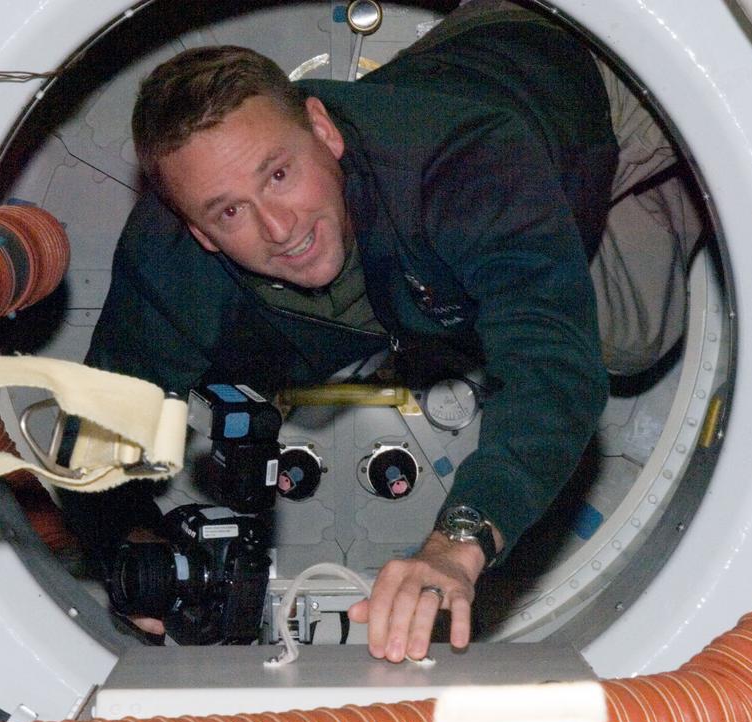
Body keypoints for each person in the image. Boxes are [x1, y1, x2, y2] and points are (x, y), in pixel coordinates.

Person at [71, 0, 702, 661]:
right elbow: (94, 431)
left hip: (571, 85)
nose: (280, 228)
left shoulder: (457, 163)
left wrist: (460, 539)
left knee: (620, 340)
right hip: (449, 240)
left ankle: (682, 183)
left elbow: (551, 364)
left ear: (324, 130)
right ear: (198, 231)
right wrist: (131, 543)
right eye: (230, 212)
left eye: (279, 174)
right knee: (634, 332)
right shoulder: (170, 261)